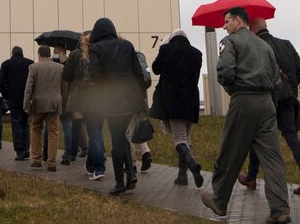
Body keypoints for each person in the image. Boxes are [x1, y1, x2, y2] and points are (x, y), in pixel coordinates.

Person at [200, 7, 291, 224]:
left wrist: (234, 89)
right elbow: (277, 81)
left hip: (244, 101)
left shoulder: (230, 42)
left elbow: (224, 71)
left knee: (229, 151)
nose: (224, 26)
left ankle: (219, 200)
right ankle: (280, 209)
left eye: (227, 21)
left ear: (238, 21)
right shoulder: (265, 46)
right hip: (267, 104)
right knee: (273, 159)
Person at [239, 18, 300, 196]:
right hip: (288, 99)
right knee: (292, 138)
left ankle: (251, 178)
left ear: (252, 29)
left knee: (258, 136)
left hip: (267, 100)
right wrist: (290, 88)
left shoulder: (257, 46)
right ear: (265, 27)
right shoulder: (286, 44)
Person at [87, 17, 147, 195]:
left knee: (117, 139)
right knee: (122, 137)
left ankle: (120, 182)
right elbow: (138, 72)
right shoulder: (127, 45)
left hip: (112, 100)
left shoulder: (95, 48)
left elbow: (94, 74)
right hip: (131, 98)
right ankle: (130, 172)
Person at [149, 29, 204, 187]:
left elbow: (155, 68)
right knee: (186, 138)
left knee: (179, 139)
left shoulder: (167, 50)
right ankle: (182, 176)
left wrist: (163, 48)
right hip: (191, 101)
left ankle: (192, 164)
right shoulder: (196, 53)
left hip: (174, 100)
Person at [69, 30, 107, 181]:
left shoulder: (84, 59)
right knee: (96, 132)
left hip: (89, 101)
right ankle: (90, 166)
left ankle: (98, 167)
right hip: (103, 100)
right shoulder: (104, 57)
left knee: (94, 134)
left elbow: (81, 80)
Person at [24, 44, 64, 171]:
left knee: (36, 129)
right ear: (50, 54)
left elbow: (28, 88)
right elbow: (64, 87)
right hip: (55, 103)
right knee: (53, 132)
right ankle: (52, 162)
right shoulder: (60, 68)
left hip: (38, 104)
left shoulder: (33, 67)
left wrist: (26, 105)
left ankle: (37, 159)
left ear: (39, 55)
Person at [0, 45, 34, 160]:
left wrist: (6, 96)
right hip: (26, 98)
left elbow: (0, 83)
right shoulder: (30, 63)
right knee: (25, 123)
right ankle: (27, 148)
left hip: (13, 99)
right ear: (22, 53)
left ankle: (19, 150)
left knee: (16, 123)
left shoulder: (6, 64)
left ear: (12, 53)